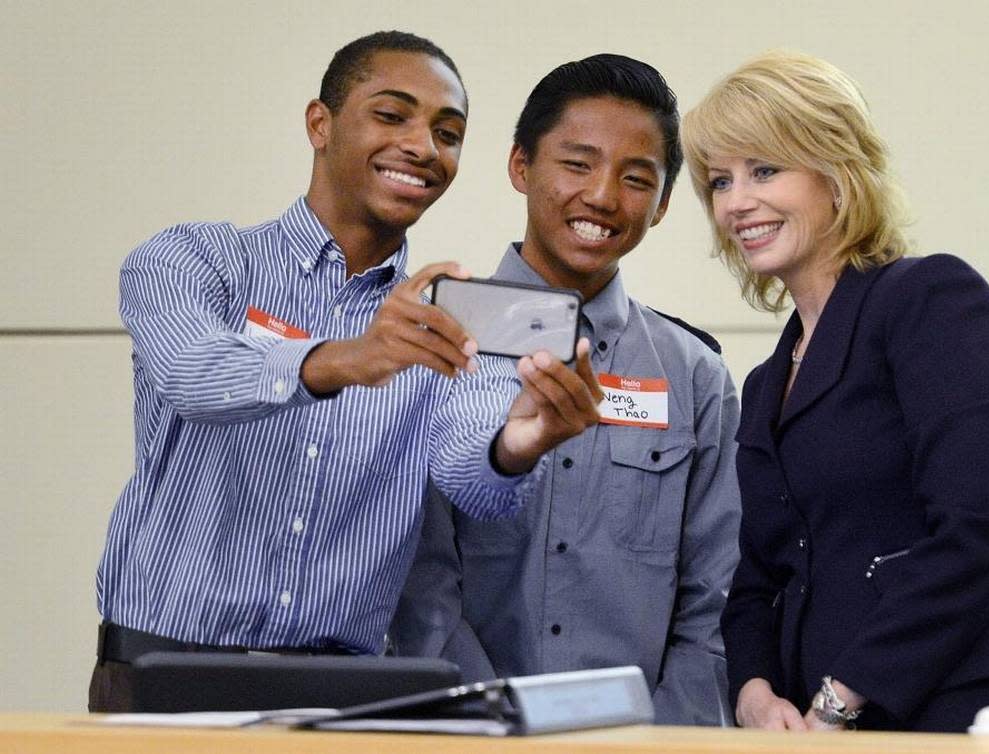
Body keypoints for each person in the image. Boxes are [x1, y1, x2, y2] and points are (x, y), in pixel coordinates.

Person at [90, 30, 604, 712]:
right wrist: (347, 359)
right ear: (320, 124)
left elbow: (471, 468)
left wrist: (522, 443)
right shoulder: (195, 259)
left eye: (447, 133)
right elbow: (194, 372)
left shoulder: (449, 317)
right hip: (158, 677)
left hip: (337, 698)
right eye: (392, 116)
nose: (424, 148)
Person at [679, 50, 989, 732]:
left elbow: (975, 530)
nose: (737, 201)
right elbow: (759, 577)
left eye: (765, 170)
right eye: (719, 181)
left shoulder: (930, 300)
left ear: (835, 170)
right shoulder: (767, 382)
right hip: (814, 729)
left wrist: (841, 700)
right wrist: (755, 693)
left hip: (944, 710)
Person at [389, 54, 741, 725]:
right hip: (467, 731)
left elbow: (714, 601)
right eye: (577, 164)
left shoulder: (695, 376)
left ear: (663, 204)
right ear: (522, 166)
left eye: (636, 178)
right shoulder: (428, 343)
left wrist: (662, 740)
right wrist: (486, 721)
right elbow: (418, 580)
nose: (603, 196)